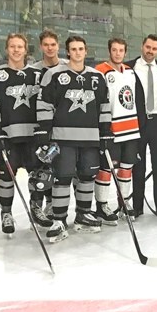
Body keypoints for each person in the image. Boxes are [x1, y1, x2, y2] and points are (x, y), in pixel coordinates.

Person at [36, 35, 111, 242]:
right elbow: (44, 105)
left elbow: (105, 107)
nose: (77, 52)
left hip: (90, 138)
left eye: (81, 49)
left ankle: (83, 214)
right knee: (63, 176)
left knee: (87, 175)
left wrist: (105, 133)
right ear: (67, 52)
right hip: (63, 138)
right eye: (74, 49)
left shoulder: (97, 77)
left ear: (86, 51)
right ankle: (59, 220)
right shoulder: (53, 75)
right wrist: (44, 133)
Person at [0, 33, 50, 234]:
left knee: (37, 174)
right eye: (12, 46)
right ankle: (6, 213)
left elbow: (45, 105)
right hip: (7, 136)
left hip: (33, 136)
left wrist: (43, 131)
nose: (16, 50)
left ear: (26, 50)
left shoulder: (38, 75)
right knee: (6, 177)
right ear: (6, 49)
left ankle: (36, 207)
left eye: (20, 46)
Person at [93, 37, 140, 225]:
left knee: (126, 169)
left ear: (125, 52)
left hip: (131, 130)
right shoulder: (100, 71)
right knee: (105, 169)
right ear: (109, 51)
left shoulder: (130, 72)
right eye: (115, 50)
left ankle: (124, 203)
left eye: (121, 50)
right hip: (111, 130)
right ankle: (102, 206)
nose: (118, 53)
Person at [127, 34, 157, 216]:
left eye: (154, 48)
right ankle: (137, 207)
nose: (150, 51)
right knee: (138, 167)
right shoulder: (129, 67)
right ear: (142, 46)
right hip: (138, 122)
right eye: (148, 47)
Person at [31, 29, 67, 216]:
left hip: (62, 127)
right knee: (41, 167)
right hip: (41, 128)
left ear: (58, 46)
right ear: (40, 47)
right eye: (46, 45)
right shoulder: (33, 70)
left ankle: (53, 204)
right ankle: (37, 207)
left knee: (59, 167)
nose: (50, 48)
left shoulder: (67, 67)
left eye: (53, 44)